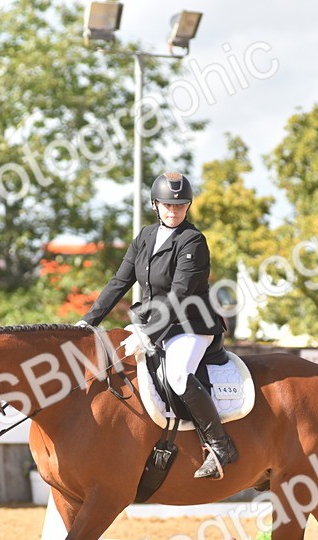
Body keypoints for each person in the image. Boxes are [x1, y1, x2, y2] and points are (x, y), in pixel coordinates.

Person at [79, 171, 238, 480]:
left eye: (179, 206)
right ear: (155, 204)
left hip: (191, 324)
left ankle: (220, 447)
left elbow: (180, 294)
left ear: (188, 206)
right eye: (166, 205)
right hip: (152, 320)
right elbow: (120, 281)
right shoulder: (145, 237)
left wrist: (148, 333)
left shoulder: (193, 241)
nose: (173, 211)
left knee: (177, 376)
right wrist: (88, 321)